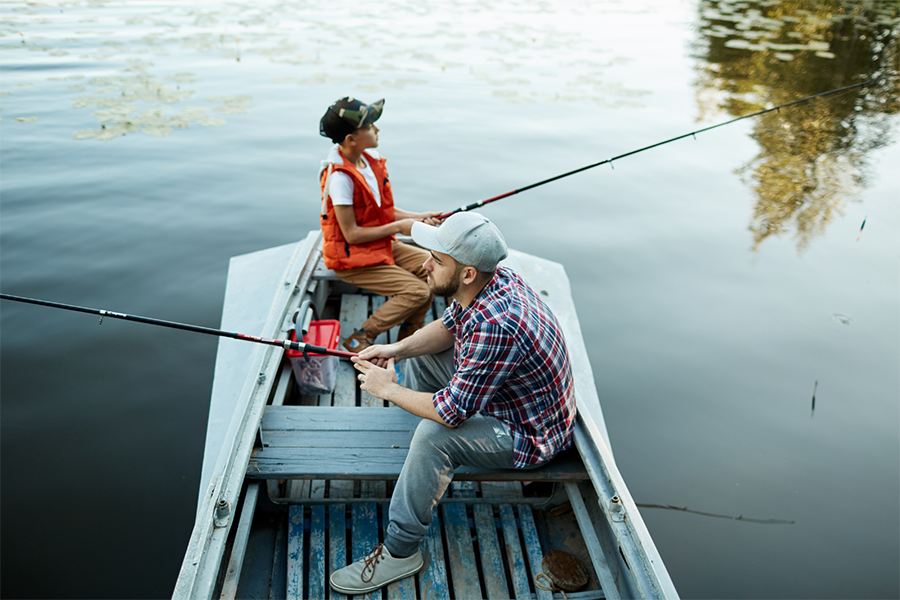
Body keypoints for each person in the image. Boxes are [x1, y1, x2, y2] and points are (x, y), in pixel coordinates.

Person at [328, 212, 577, 595]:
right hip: (508, 401)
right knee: (423, 356)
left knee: (433, 434)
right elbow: (448, 328)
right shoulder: (493, 279)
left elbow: (449, 413)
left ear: (466, 274)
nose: (425, 265)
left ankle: (400, 552)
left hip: (528, 434)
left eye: (437, 260)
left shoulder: (496, 323)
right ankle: (423, 467)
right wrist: (395, 348)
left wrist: (388, 389)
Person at [318, 96, 442, 352]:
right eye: (370, 126)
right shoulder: (340, 178)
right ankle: (360, 337)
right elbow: (351, 234)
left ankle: (409, 332)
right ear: (351, 139)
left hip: (378, 244)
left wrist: (418, 216)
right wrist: (399, 227)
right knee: (418, 292)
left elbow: (383, 211)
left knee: (434, 270)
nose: (377, 129)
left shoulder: (368, 160)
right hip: (350, 257)